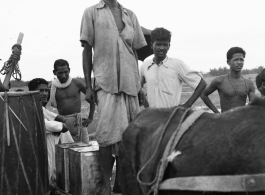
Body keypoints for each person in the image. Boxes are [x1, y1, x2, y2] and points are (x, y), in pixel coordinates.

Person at [80, 0, 147, 194]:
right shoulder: (91, 12)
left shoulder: (130, 15)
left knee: (130, 136)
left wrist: (138, 85)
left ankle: (121, 183)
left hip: (130, 83)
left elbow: (133, 52)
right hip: (105, 81)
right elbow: (86, 51)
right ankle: (104, 184)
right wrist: (88, 86)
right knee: (106, 135)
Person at [139, 27, 207, 109]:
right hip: (152, 116)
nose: (161, 48)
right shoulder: (145, 66)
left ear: (169, 46)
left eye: (165, 45)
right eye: (158, 44)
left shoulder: (177, 65)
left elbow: (201, 83)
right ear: (151, 45)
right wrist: (144, 99)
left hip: (171, 117)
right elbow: (137, 86)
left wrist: (187, 105)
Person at [28, 78, 74, 189]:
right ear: (32, 92)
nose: (44, 93)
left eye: (46, 90)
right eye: (41, 91)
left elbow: (56, 119)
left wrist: (59, 127)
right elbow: (42, 124)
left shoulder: (42, 108)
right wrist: (59, 127)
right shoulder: (30, 106)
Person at [49, 59, 95, 144]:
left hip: (78, 121)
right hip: (62, 122)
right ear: (54, 72)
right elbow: (42, 106)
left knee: (84, 148)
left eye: (66, 72)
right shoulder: (52, 87)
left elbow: (92, 99)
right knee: (65, 151)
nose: (63, 75)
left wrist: (90, 118)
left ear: (69, 70)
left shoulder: (76, 83)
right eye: (60, 73)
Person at [201, 47, 255, 113]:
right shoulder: (220, 81)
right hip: (225, 120)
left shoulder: (249, 83)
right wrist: (217, 113)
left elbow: (252, 106)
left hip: (241, 121)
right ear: (228, 62)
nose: (239, 62)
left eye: (241, 60)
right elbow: (203, 95)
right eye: (236, 60)